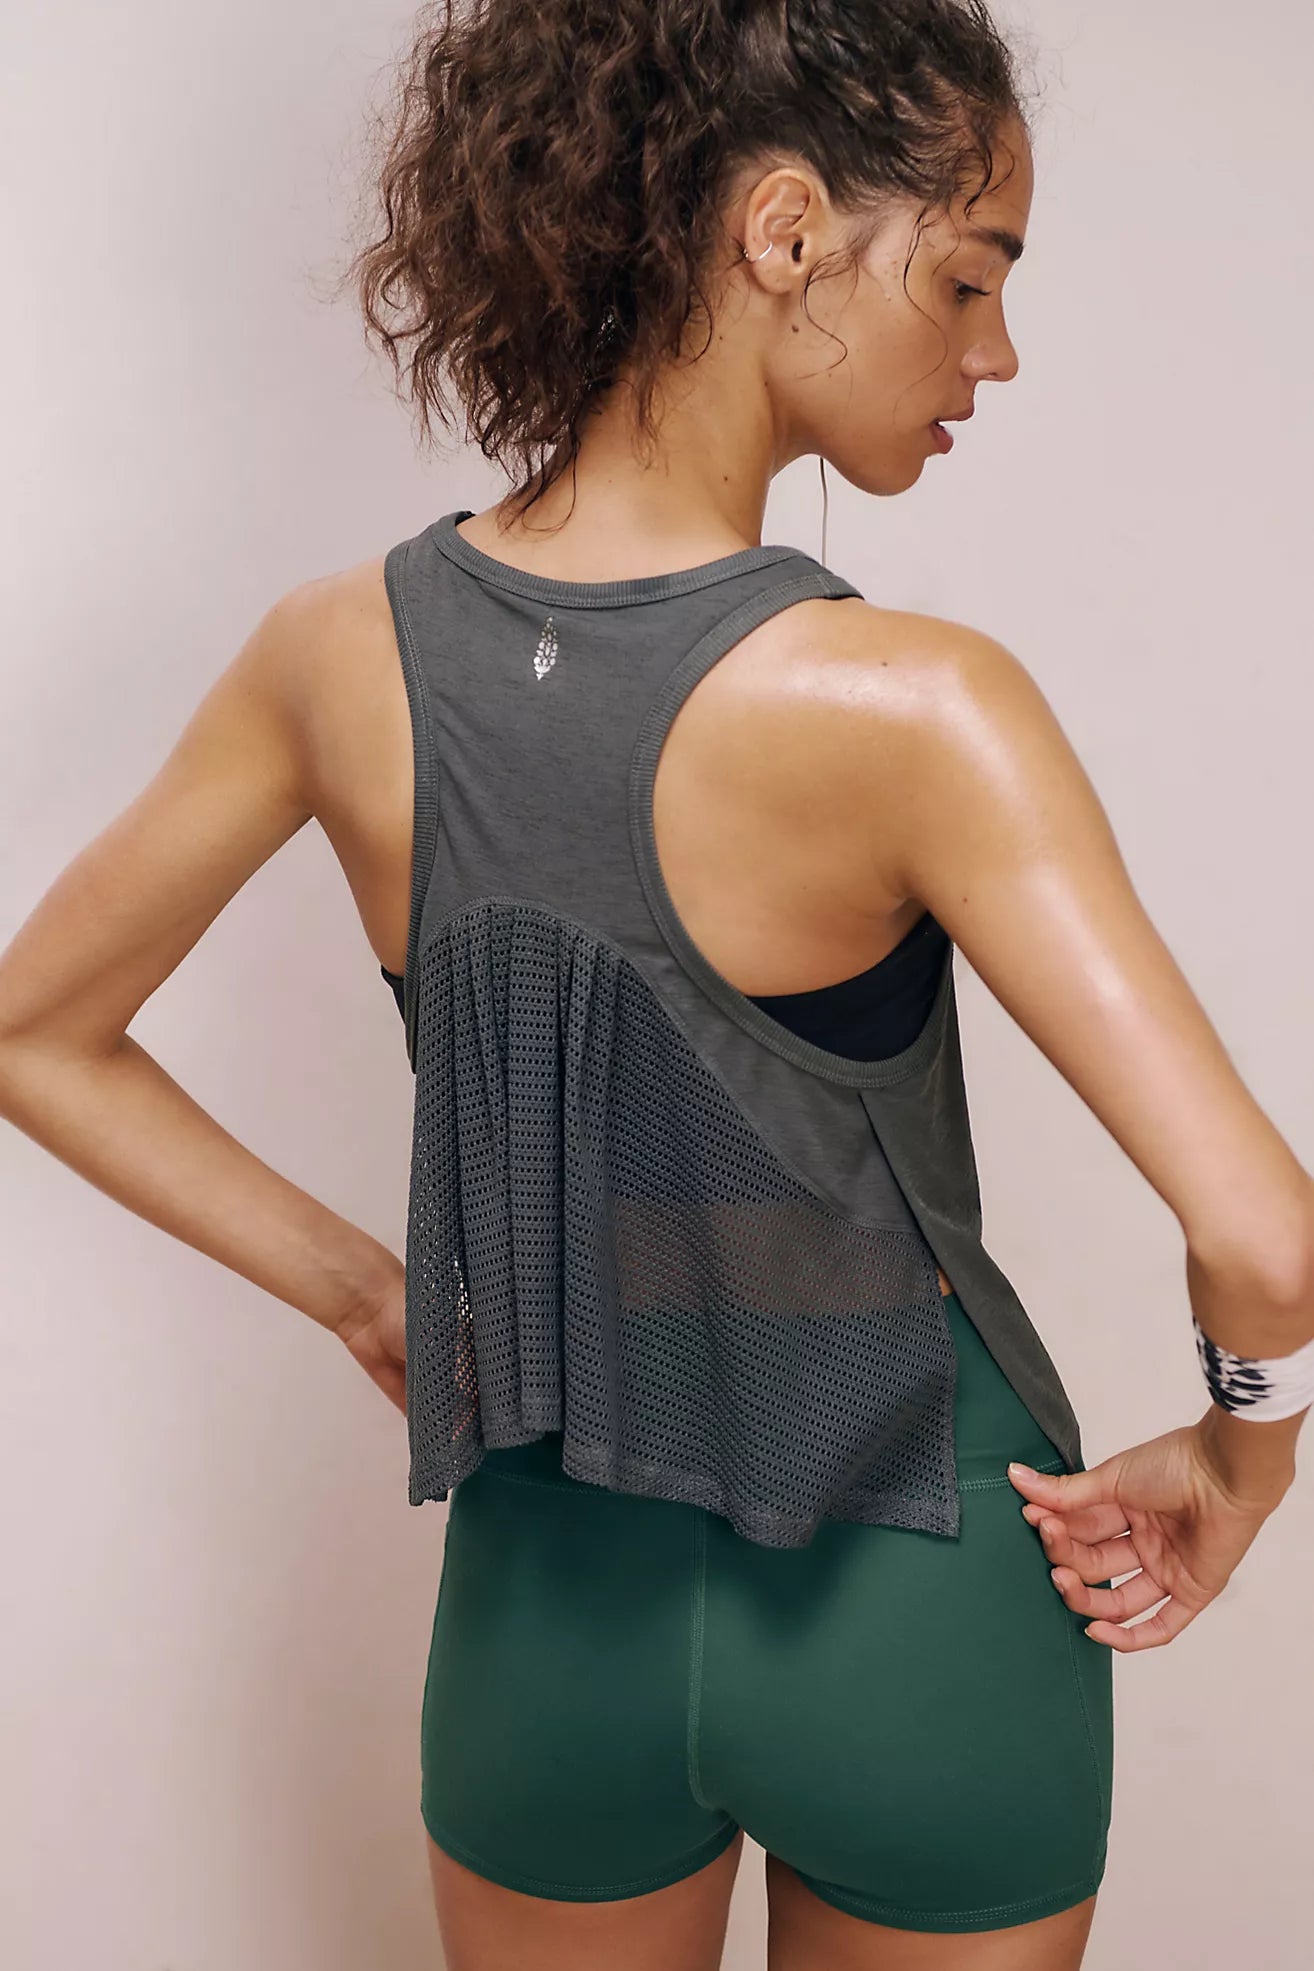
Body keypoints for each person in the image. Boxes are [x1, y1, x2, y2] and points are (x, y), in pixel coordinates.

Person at [1, 2, 1310, 1968]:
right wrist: (1236, 1457)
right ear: (782, 231)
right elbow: (1265, 1241)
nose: (996, 352)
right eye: (968, 278)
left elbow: (35, 1029)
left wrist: (372, 1291)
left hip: (545, 1602)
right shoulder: (920, 705)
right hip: (924, 1595)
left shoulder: (331, 655)